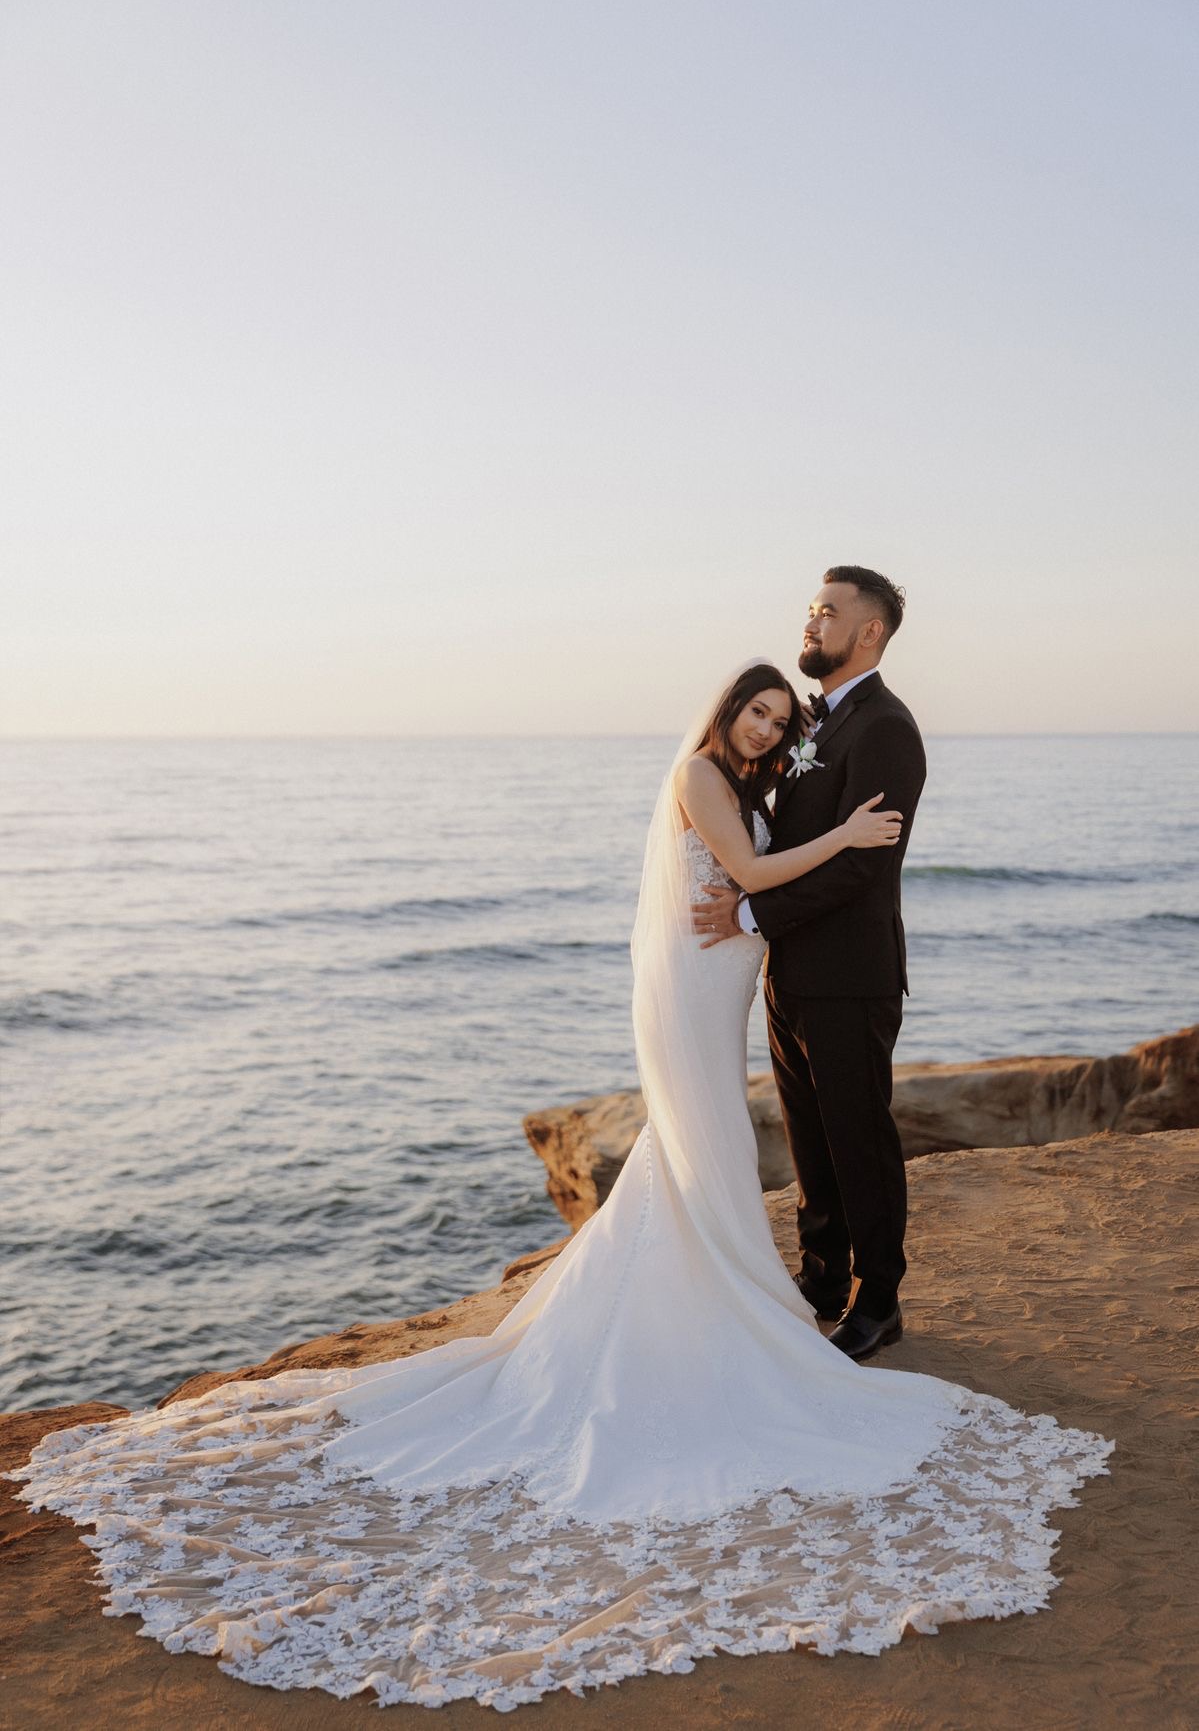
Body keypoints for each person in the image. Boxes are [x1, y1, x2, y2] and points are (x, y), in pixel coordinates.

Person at [8, 657, 1111, 1712]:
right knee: (705, 1148)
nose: (769, 729)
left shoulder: (746, 778)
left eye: (780, 718)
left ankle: (739, 1294)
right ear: (726, 709)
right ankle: (714, 1309)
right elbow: (755, 876)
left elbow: (752, 878)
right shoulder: (696, 776)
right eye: (757, 712)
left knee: (709, 1156)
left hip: (726, 982)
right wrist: (846, 832)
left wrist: (807, 838)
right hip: (693, 989)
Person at [693, 567, 925, 1361]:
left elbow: (862, 865)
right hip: (789, 977)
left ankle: (878, 1300)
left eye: (827, 612)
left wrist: (750, 912)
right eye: (809, 608)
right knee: (810, 1144)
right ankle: (822, 1281)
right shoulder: (813, 727)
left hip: (850, 977)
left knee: (858, 1139)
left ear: (868, 631)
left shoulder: (886, 729)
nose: (811, 621)